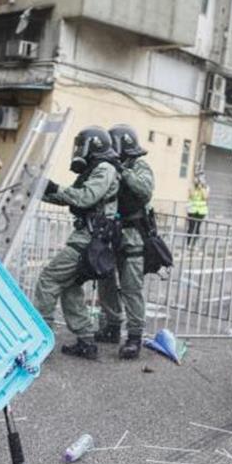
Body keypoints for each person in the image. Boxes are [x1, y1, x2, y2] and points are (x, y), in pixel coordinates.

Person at [33, 126, 120, 360]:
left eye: (82, 144)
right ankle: (86, 341)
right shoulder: (95, 169)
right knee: (69, 286)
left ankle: (41, 338)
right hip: (90, 238)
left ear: (94, 145)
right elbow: (71, 196)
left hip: (89, 240)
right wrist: (41, 190)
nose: (78, 150)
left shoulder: (105, 168)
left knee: (49, 279)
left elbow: (86, 198)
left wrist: (55, 188)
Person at [93, 124, 154, 358]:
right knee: (105, 281)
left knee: (130, 288)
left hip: (133, 237)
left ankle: (135, 337)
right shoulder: (110, 168)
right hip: (111, 234)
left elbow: (145, 190)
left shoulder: (139, 166)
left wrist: (124, 172)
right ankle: (112, 326)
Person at [185, 176, 208, 249]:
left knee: (197, 228)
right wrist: (194, 187)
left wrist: (201, 188)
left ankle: (194, 244)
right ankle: (188, 243)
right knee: (191, 227)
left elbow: (205, 197)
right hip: (192, 210)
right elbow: (190, 195)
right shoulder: (192, 188)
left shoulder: (204, 189)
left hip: (201, 212)